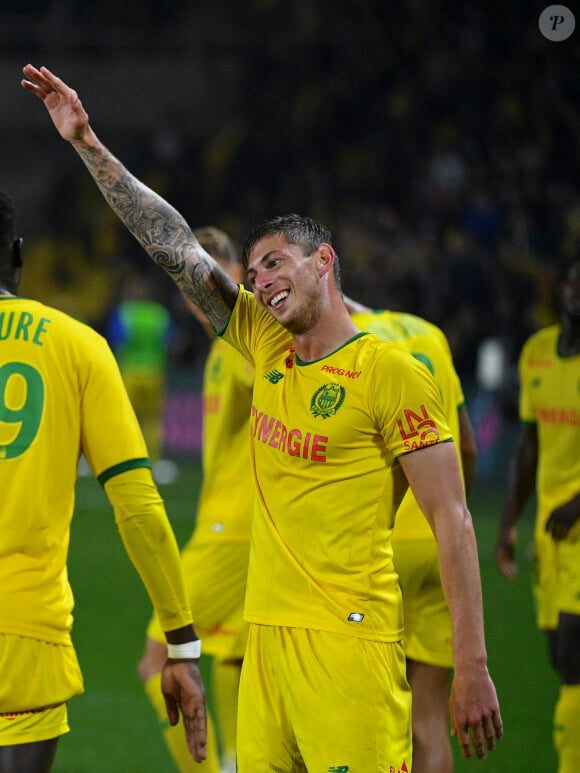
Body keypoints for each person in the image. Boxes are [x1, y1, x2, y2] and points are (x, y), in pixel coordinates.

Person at [22, 64, 503, 771]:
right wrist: (87, 141)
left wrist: (473, 664)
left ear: (325, 261)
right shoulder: (264, 342)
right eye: (253, 274)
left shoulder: (392, 372)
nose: (262, 280)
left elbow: (453, 519)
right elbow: (176, 248)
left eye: (276, 263)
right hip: (265, 644)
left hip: (351, 647)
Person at [0, 190, 207, 772]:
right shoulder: (77, 345)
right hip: (24, 634)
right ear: (17, 255)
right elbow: (137, 505)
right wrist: (181, 645)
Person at [138, 227, 253, 773]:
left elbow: (281, 374)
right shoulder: (222, 346)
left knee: (158, 656)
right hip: (236, 525)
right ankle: (235, 760)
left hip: (231, 532)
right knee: (230, 653)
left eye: (196, 277)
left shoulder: (239, 341)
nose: (189, 293)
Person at [347, 301, 478, 772]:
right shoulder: (431, 333)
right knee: (427, 717)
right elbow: (466, 443)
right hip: (437, 543)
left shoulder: (348, 340)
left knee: (367, 716)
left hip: (379, 548)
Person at [496, 261, 580, 773]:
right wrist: (508, 522)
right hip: (550, 531)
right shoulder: (538, 353)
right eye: (573, 281)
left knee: (574, 660)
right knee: (558, 657)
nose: (577, 292)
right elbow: (528, 446)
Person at [106, 271, 174, 466]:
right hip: (154, 373)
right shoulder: (159, 315)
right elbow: (170, 344)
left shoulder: (125, 313)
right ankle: (154, 460)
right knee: (153, 420)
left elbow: (116, 341)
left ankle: (118, 457)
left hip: (129, 372)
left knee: (124, 417)